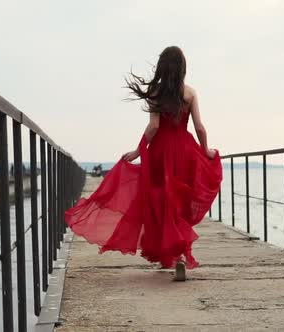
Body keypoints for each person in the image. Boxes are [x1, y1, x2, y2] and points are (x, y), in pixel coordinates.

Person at [65, 46, 222, 281]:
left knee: (160, 202)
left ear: (162, 67)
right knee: (179, 202)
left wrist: (139, 150)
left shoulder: (156, 93)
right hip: (185, 151)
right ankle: (178, 255)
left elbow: (154, 127)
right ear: (182, 68)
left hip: (160, 151)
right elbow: (199, 126)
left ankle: (168, 255)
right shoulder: (189, 93)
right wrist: (205, 150)